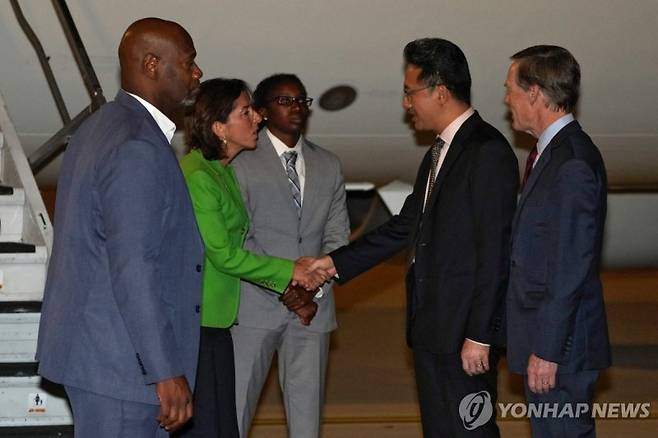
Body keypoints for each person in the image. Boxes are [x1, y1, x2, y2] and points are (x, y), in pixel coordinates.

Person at [303, 38, 518, 437]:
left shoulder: (486, 151)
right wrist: (333, 263)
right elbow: (405, 227)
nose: (406, 104)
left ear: (439, 92)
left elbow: (495, 253)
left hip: (464, 337)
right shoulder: (439, 153)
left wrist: (480, 337)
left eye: (409, 92)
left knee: (473, 431)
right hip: (432, 329)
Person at [35, 18, 204, 437]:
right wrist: (163, 369)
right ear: (151, 64)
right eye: (189, 63)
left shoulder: (101, 127)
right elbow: (133, 264)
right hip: (123, 369)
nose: (198, 73)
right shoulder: (136, 146)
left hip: (102, 358)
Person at [177, 78, 331, 438]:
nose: (257, 118)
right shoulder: (199, 176)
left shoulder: (221, 171)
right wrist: (290, 272)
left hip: (220, 320)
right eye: (245, 112)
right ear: (219, 128)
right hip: (200, 321)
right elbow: (224, 255)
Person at [231, 73, 350, 437]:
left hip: (311, 311)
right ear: (263, 111)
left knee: (306, 420)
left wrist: (310, 291)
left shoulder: (328, 164)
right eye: (285, 101)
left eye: (302, 100)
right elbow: (241, 237)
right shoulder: (240, 162)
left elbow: (337, 237)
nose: (297, 107)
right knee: (236, 412)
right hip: (255, 308)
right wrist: (285, 286)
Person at [504, 45, 611, 437]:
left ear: (534, 93)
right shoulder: (551, 156)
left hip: (560, 348)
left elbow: (570, 267)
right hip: (550, 341)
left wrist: (548, 348)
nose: (506, 99)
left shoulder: (572, 163)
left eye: (510, 88)